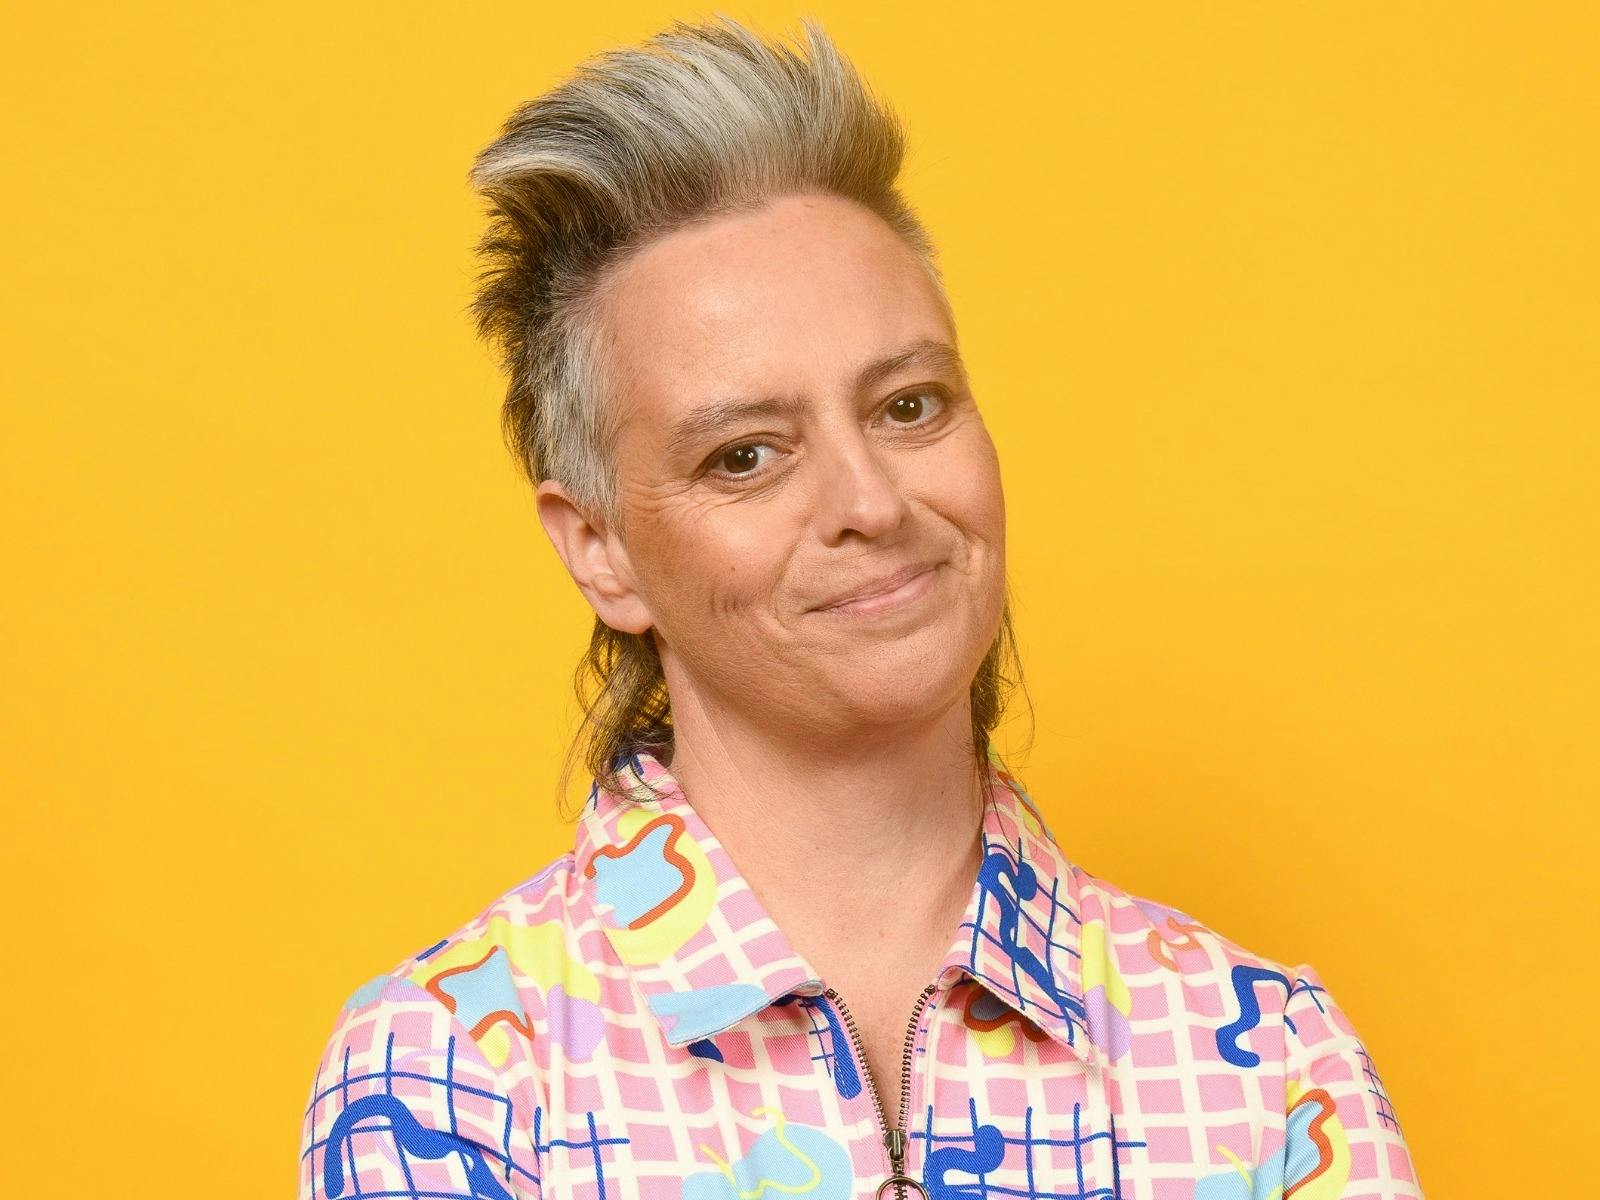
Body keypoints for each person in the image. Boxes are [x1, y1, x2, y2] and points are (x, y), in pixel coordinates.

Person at [296, 15, 1423, 1200]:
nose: (872, 503)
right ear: (602, 551)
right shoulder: (452, 1075)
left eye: (908, 406)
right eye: (744, 455)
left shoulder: (1270, 1061)